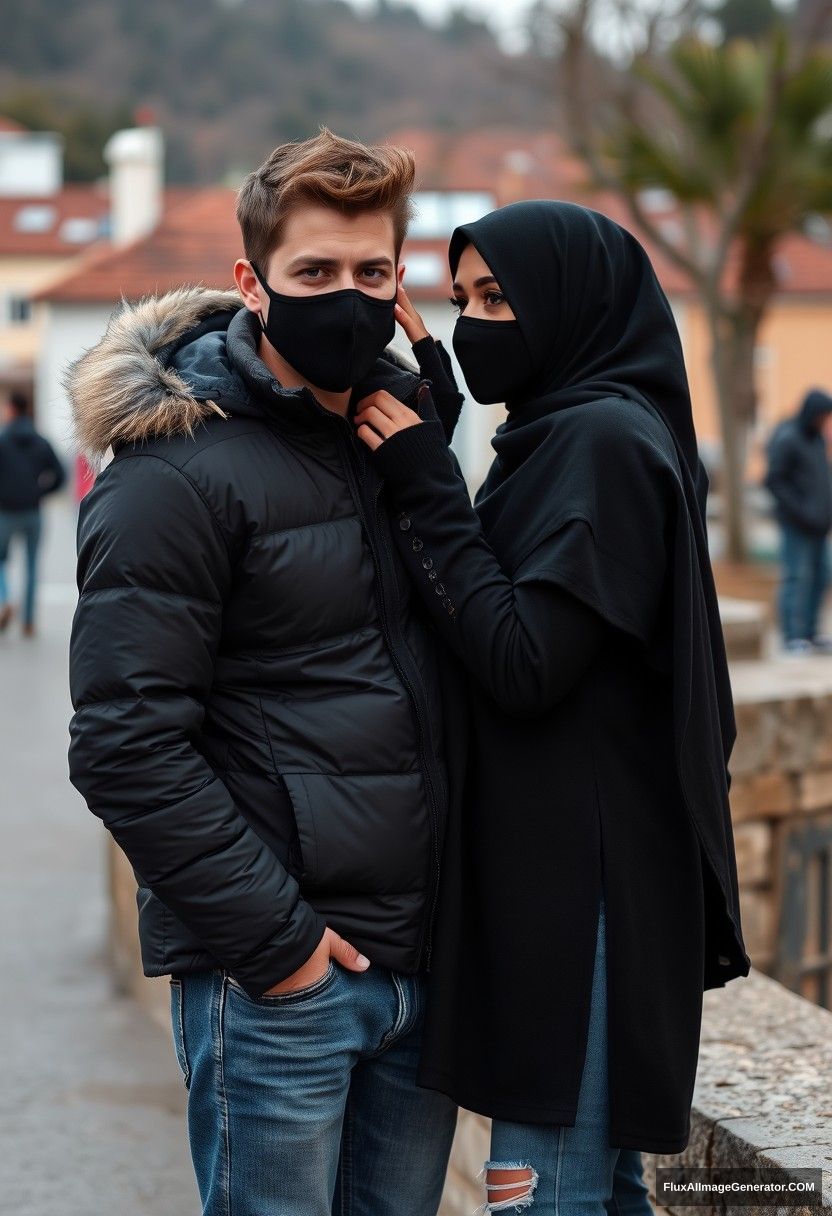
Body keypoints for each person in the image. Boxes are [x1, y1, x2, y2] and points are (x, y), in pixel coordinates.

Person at [66, 129, 466, 1216]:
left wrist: (436, 456)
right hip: (282, 981)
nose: (348, 296)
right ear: (252, 284)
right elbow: (122, 741)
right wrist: (279, 947)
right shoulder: (173, 474)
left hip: (420, 965)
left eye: (372, 273)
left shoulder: (398, 443)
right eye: (315, 274)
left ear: (401, 278)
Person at [352, 200, 751, 1215]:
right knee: (598, 1189)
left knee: (544, 1193)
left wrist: (426, 482)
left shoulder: (602, 444)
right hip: (569, 882)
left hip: (585, 901)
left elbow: (524, 660)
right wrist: (440, 428)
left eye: (497, 298)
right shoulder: (565, 432)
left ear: (570, 306)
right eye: (463, 299)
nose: (477, 322)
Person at [764, 388, 832, 654]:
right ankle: (791, 636)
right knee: (796, 578)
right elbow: (774, 480)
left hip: (819, 527)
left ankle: (811, 633)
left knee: (821, 577)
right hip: (797, 526)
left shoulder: (817, 440)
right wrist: (800, 512)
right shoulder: (789, 438)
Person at [0, 390, 65, 637]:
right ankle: (28, 621)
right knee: (31, 566)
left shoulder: (2, 439)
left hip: (5, 512)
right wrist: (40, 492)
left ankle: (5, 599)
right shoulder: (40, 441)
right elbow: (60, 475)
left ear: (11, 409)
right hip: (33, 513)